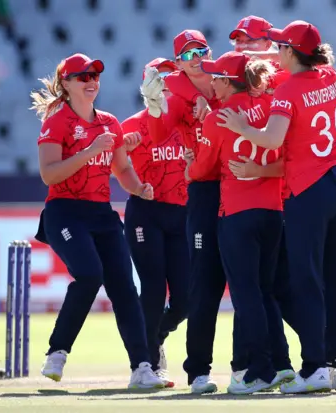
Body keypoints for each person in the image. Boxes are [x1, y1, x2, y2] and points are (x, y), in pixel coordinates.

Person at [217, 20, 336, 394]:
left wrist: (240, 126)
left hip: (311, 189)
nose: (276, 51)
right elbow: (302, 71)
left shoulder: (287, 92)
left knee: (306, 281)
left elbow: (272, 138)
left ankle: (313, 368)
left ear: (291, 52)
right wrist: (264, 53)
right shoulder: (330, 76)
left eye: (281, 46)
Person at [30, 53, 164, 389]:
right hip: (65, 211)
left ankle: (142, 367)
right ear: (66, 83)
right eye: (83, 77)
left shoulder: (109, 122)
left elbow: (122, 170)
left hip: (101, 214)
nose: (91, 82)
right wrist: (90, 150)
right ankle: (57, 351)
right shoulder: (56, 122)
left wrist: (141, 189)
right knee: (89, 275)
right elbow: (49, 175)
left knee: (123, 286)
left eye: (95, 77)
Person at [185, 51, 293, 394]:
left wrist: (190, 163)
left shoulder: (218, 117)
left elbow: (202, 170)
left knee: (246, 296)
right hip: (273, 212)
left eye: (216, 77)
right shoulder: (270, 105)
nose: (211, 82)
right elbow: (287, 158)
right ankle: (281, 365)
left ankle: (259, 371)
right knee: (264, 292)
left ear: (229, 81)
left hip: (237, 213)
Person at [140, 29, 224, 394]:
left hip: (244, 184)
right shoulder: (175, 95)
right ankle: (199, 373)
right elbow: (157, 136)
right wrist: (155, 107)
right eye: (188, 55)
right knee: (200, 289)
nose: (197, 58)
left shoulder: (224, 76)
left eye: (201, 50)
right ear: (177, 64)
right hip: (201, 191)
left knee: (258, 285)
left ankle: (256, 367)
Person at [121, 57, 189, 388]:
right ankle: (145, 363)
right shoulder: (133, 124)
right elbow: (115, 165)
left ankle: (156, 335)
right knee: (152, 288)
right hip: (146, 213)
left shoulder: (187, 122)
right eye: (160, 81)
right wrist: (130, 166)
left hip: (182, 215)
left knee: (188, 297)